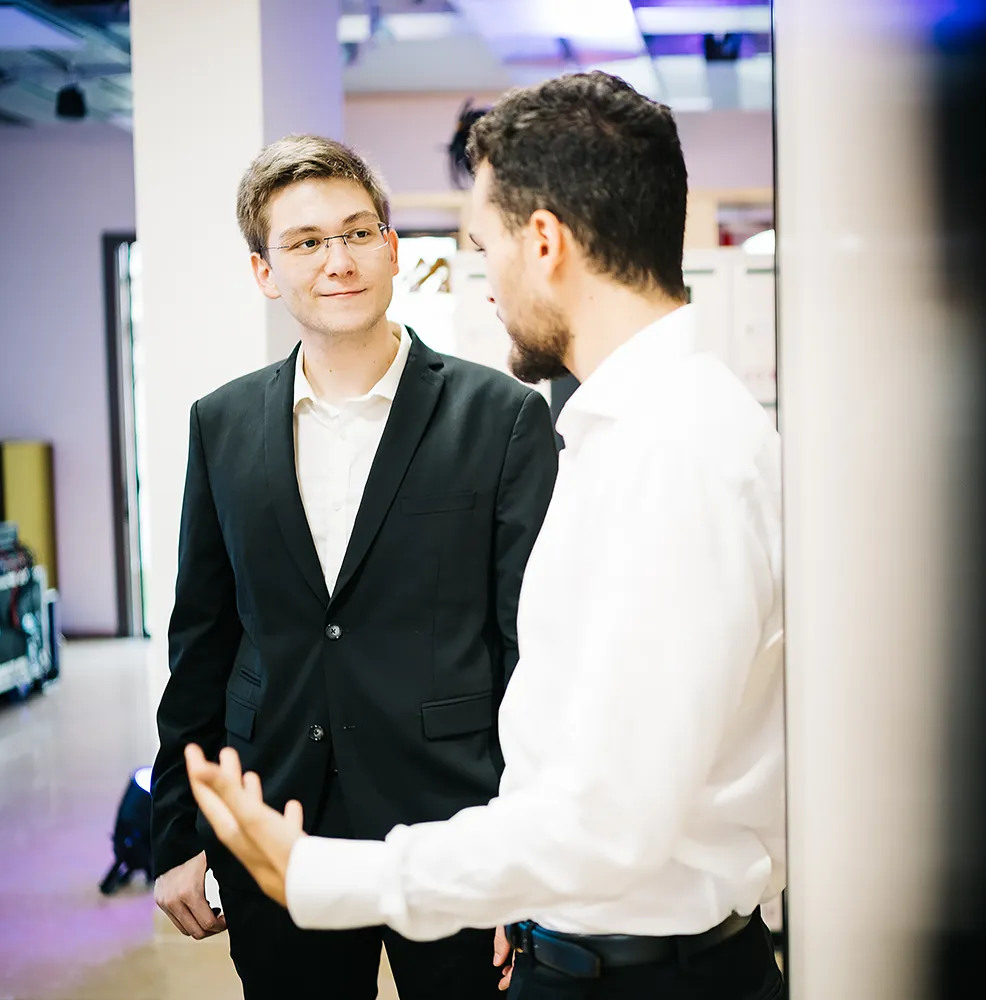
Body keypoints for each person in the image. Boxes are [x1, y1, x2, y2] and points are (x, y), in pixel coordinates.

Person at [184, 71, 787, 999]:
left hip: (632, 961)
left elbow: (612, 821)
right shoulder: (624, 432)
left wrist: (325, 875)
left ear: (541, 242)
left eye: (483, 242)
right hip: (585, 939)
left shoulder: (669, 453)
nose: (484, 277)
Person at [151, 134, 559, 999]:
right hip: (279, 816)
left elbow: (536, 652)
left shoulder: (502, 418)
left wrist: (525, 864)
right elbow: (203, 641)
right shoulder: (219, 425)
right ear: (265, 272)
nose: (338, 261)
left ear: (392, 249)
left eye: (357, 233)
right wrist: (180, 830)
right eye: (304, 243)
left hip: (457, 822)